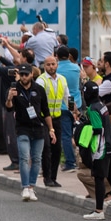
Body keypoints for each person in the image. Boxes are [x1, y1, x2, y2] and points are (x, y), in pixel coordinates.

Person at [5, 63, 56, 202]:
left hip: (38, 127)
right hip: (22, 127)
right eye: (21, 74)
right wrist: (9, 98)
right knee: (24, 157)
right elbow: (9, 108)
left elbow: (46, 111)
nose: (23, 77)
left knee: (37, 158)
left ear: (31, 74)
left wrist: (51, 129)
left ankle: (32, 187)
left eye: (26, 74)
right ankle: (25, 187)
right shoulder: (15, 88)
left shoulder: (39, 89)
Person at [80, 80, 111, 220]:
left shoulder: (92, 108)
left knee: (99, 177)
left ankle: (99, 211)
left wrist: (84, 129)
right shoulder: (101, 105)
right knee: (110, 173)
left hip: (102, 146)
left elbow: (98, 129)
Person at [36, 55, 69, 188]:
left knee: (57, 149)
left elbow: (67, 97)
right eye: (48, 64)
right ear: (44, 66)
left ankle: (53, 177)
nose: (51, 67)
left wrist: (75, 111)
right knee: (46, 148)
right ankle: (47, 177)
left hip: (57, 118)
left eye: (53, 64)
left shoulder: (62, 79)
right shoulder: (41, 81)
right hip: (44, 119)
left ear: (57, 65)